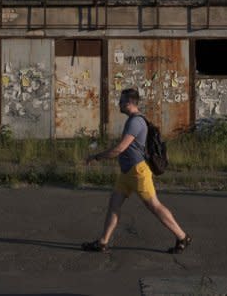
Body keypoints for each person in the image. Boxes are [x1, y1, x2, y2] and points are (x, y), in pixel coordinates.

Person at [82, 88, 192, 254]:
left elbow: (120, 148)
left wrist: (96, 157)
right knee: (114, 205)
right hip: (127, 173)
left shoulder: (136, 122)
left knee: (154, 206)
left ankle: (182, 236)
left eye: (120, 101)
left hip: (138, 172)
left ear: (128, 103)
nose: (118, 104)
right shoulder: (133, 120)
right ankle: (103, 242)